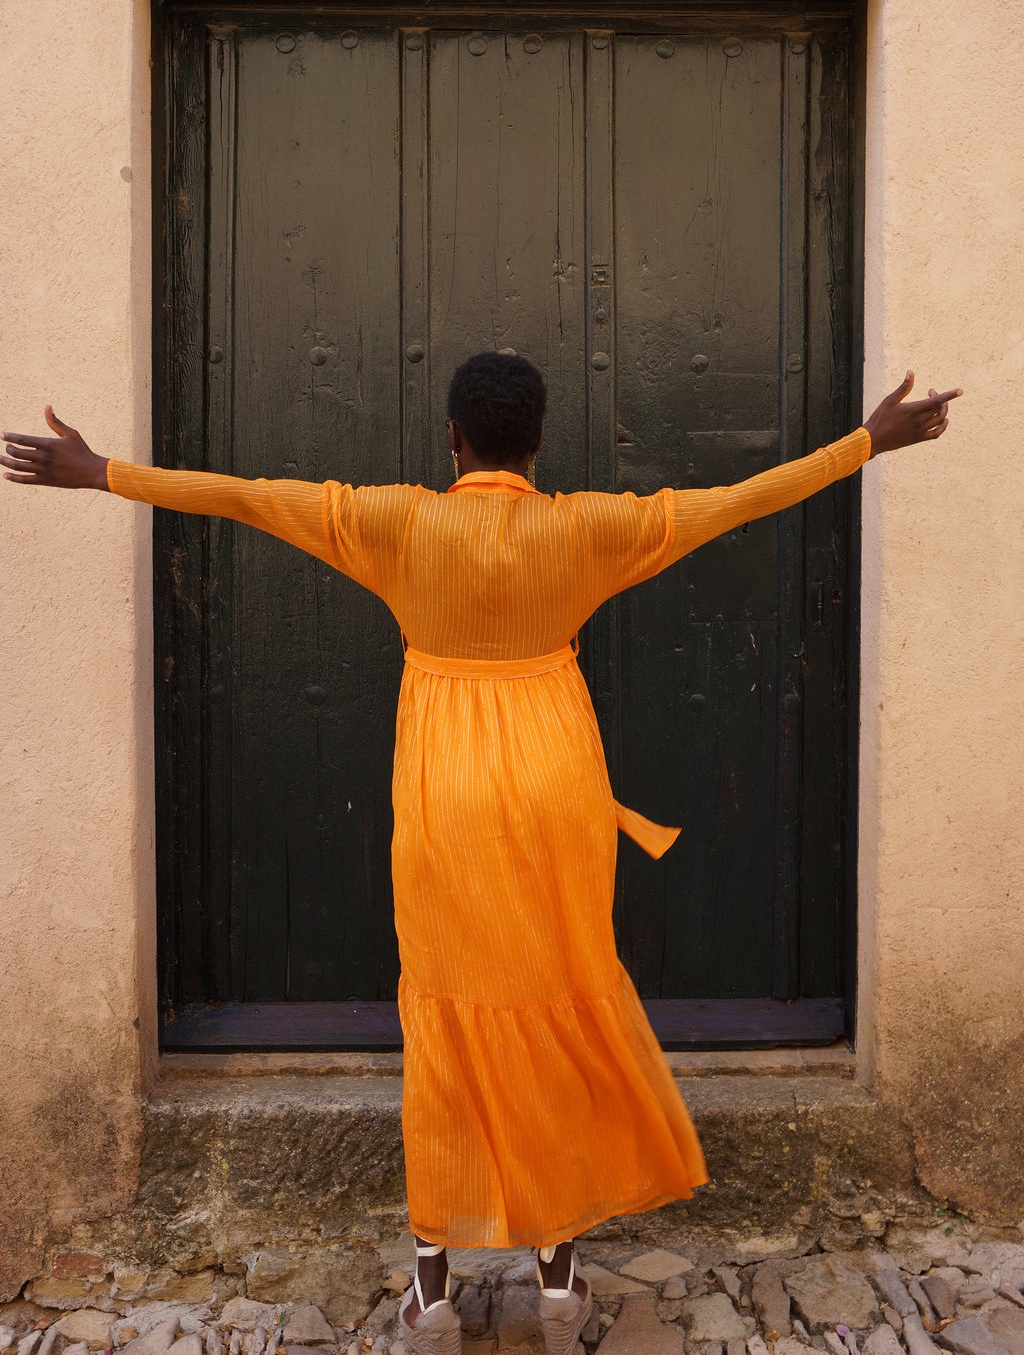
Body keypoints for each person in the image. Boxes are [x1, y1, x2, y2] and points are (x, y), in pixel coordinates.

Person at [3, 358, 960, 1355]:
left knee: (447, 1012)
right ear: (536, 444)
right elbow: (740, 500)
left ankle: (432, 1289)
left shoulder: (396, 522)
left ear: (452, 438)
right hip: (558, 783)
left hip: (442, 790)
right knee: (551, 994)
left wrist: (102, 470)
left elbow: (244, 499)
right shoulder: (590, 526)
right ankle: (557, 1275)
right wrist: (866, 441)